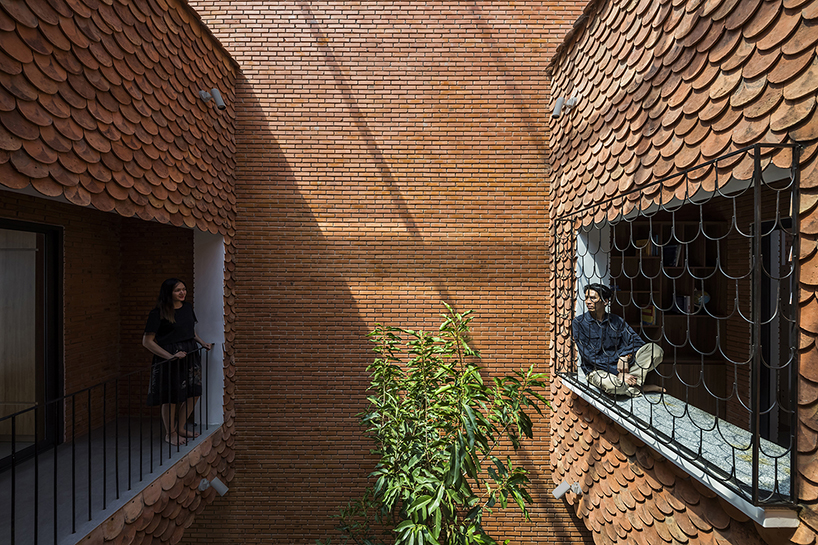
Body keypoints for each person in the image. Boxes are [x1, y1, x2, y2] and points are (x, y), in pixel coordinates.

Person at [143, 278, 213, 445]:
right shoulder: (158, 313)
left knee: (194, 393)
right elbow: (147, 341)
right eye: (177, 290)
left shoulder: (187, 307)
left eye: (183, 289)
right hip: (170, 358)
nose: (182, 293)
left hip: (189, 355)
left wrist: (202, 342)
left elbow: (189, 330)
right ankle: (171, 433)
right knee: (171, 397)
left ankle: (181, 428)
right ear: (169, 293)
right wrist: (170, 356)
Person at [572, 283, 664, 397]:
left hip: (623, 367)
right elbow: (589, 356)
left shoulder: (616, 321)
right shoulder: (579, 323)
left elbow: (637, 341)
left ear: (605, 301)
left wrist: (624, 356)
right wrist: (617, 373)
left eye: (593, 298)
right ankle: (638, 387)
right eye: (586, 298)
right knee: (610, 385)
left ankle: (630, 383)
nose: (588, 301)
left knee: (655, 350)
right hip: (598, 371)